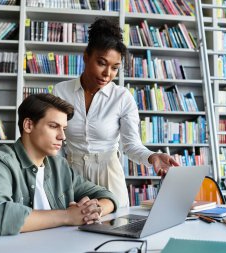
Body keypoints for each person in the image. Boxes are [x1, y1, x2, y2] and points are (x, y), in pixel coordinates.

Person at [54, 18, 179, 207]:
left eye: (115, 68)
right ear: (86, 56)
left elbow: (130, 145)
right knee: (70, 232)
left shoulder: (122, 98)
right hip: (72, 176)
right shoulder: (61, 92)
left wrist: (152, 156)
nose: (107, 73)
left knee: (115, 230)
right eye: (102, 63)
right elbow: (53, 141)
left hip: (109, 175)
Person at [0, 94, 118, 236]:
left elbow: (107, 196)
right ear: (28, 125)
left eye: (64, 129)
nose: (62, 136)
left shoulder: (59, 165)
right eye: (53, 126)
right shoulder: (0, 163)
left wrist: (91, 210)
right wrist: (68, 216)